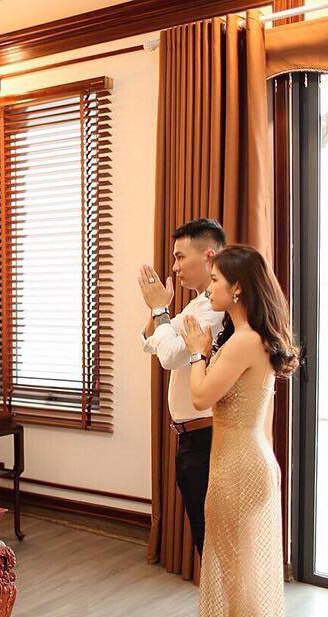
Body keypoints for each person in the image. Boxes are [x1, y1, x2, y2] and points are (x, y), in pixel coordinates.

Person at [178, 244, 299, 617]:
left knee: (237, 577)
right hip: (250, 460)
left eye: (215, 280)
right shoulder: (253, 338)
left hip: (237, 468)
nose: (210, 287)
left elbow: (200, 397)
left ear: (238, 289)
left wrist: (197, 352)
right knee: (242, 574)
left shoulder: (244, 341)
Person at [140, 218, 226, 561]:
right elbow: (150, 341)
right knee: (204, 537)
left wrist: (161, 310)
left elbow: (171, 356)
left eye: (180, 257)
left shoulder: (214, 308)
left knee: (212, 541)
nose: (174, 267)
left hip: (207, 436)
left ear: (208, 256)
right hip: (190, 436)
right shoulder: (195, 303)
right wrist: (158, 312)